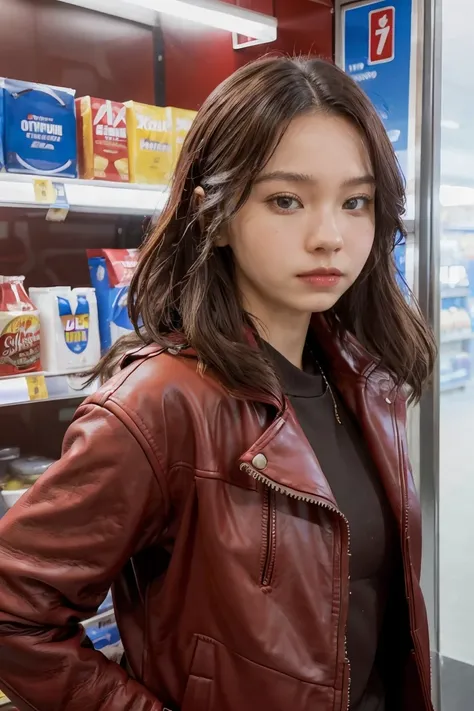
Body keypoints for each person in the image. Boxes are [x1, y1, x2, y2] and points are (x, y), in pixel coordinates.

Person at [0, 56, 435, 711]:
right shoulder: (159, 406)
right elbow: (14, 613)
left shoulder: (364, 377)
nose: (331, 236)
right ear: (216, 213)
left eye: (356, 201)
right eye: (286, 199)